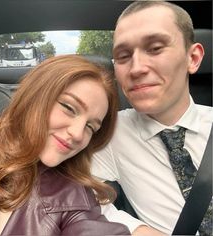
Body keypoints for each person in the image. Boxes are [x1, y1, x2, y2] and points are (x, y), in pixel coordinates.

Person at [91, 1, 212, 235]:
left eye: (155, 48)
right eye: (123, 56)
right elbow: (74, 196)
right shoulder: (110, 132)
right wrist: (135, 229)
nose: (136, 68)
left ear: (193, 58)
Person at [0, 55, 133, 235]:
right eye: (68, 107)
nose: (77, 134)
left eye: (91, 127)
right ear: (36, 94)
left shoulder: (73, 195)